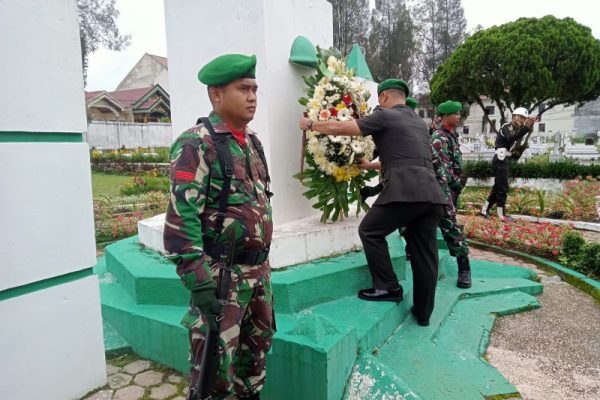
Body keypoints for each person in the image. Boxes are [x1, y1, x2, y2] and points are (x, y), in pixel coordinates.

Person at [163, 53, 274, 400]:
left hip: (258, 275)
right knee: (214, 376)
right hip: (221, 278)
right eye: (243, 89)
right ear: (216, 94)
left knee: (253, 363)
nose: (252, 96)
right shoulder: (197, 144)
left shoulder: (252, 143)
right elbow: (182, 218)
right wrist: (199, 283)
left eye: (255, 89)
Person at [299, 79, 446, 326]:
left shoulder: (385, 116)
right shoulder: (419, 124)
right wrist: (370, 165)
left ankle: (388, 286)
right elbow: (405, 157)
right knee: (425, 255)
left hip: (404, 192)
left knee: (370, 230)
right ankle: (423, 313)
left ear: (384, 96)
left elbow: (339, 128)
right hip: (431, 195)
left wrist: (311, 124)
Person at [430, 100, 471, 288]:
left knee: (449, 223)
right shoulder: (439, 138)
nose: (459, 116)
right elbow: (441, 167)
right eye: (456, 113)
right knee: (451, 226)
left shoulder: (451, 135)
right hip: (441, 189)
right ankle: (464, 268)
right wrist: (454, 183)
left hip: (449, 188)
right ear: (446, 116)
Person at [481, 107, 537, 220]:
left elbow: (516, 136)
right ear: (514, 116)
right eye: (521, 117)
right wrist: (526, 127)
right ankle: (501, 214)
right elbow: (511, 138)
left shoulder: (514, 129)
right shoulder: (506, 126)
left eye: (524, 118)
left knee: (498, 187)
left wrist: (527, 126)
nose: (522, 120)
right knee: (502, 188)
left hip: (504, 159)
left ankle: (484, 210)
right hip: (500, 159)